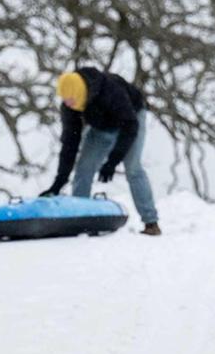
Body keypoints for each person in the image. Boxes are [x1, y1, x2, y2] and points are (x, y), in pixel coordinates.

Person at [39, 67, 161, 236]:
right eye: (65, 100)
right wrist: (59, 183)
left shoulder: (110, 90)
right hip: (101, 129)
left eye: (70, 99)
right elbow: (70, 144)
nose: (67, 103)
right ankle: (79, 219)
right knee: (84, 169)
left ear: (79, 93)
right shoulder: (71, 106)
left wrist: (112, 161)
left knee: (133, 168)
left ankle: (151, 223)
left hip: (131, 120)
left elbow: (130, 126)